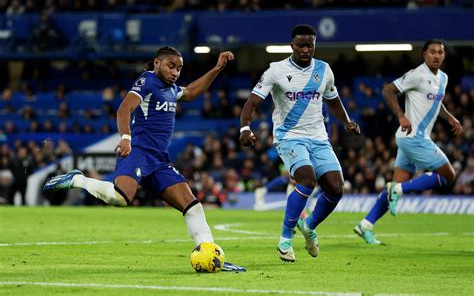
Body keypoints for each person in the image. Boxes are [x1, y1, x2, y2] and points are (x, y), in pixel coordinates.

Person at [43, 46, 245, 272]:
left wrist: (217, 68)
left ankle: (213, 256)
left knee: (193, 206)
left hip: (159, 160)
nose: (175, 72)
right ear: (157, 63)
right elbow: (124, 109)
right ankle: (78, 180)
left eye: (179, 68)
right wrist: (126, 137)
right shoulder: (147, 81)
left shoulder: (171, 88)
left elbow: (191, 92)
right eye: (171, 66)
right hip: (138, 152)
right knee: (120, 198)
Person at [239, 25, 360, 262]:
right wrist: (245, 128)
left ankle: (309, 225)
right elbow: (251, 103)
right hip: (289, 136)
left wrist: (346, 121)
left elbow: (333, 99)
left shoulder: (324, 70)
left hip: (318, 137)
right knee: (307, 178)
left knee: (336, 189)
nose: (306, 50)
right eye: (301, 45)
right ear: (292, 46)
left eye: (310, 45)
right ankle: (285, 240)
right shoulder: (276, 70)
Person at [354, 39, 463, 245]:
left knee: (398, 184)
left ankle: (365, 225)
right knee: (448, 174)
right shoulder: (417, 75)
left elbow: (436, 103)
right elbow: (388, 90)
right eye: (433, 52)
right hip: (414, 137)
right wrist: (400, 115)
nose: (437, 55)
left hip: (409, 139)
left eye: (440, 52)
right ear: (424, 54)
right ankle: (398, 190)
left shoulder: (443, 78)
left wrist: (450, 118)